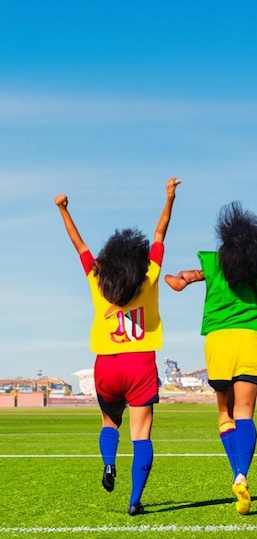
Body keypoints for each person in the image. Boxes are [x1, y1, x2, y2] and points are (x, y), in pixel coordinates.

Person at [54, 177, 181, 516]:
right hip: (140, 364)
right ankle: (135, 500)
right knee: (142, 435)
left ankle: (109, 464)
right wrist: (169, 197)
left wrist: (63, 209)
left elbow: (78, 245)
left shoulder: (98, 281)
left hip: (106, 365)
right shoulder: (150, 278)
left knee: (110, 423)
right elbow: (159, 234)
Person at [165, 202, 257, 515]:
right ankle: (242, 475)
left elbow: (181, 279)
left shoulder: (213, 265)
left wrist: (176, 279)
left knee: (224, 413)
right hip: (250, 340)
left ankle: (236, 473)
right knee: (245, 414)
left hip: (218, 343)